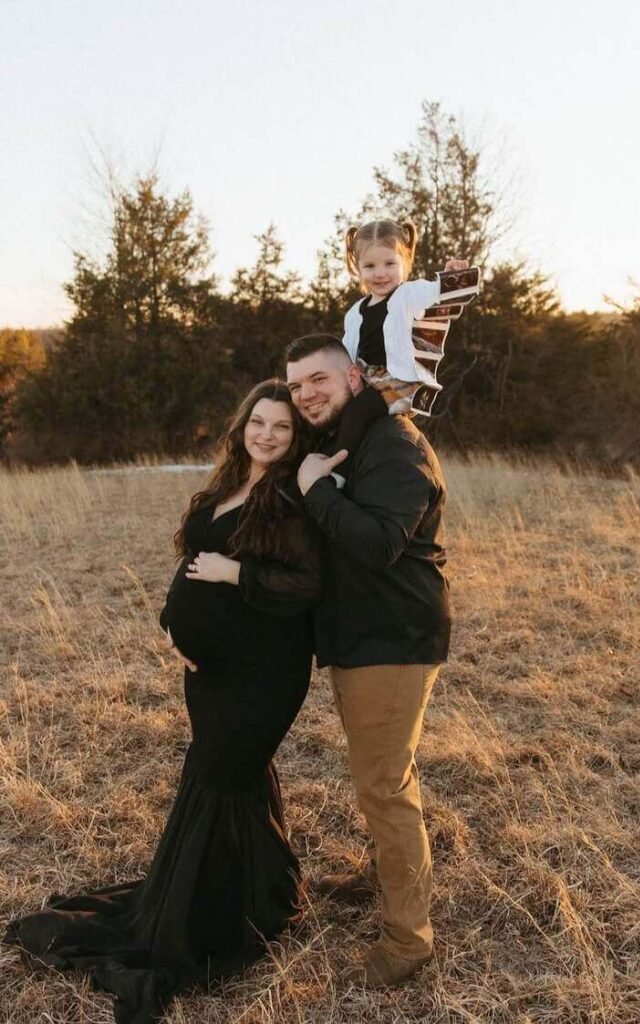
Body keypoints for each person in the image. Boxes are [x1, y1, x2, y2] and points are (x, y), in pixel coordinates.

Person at [4, 380, 322, 1024]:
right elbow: (190, 564)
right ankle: (256, 893)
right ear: (242, 426)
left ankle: (213, 917)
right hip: (210, 674)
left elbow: (307, 586)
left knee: (223, 771)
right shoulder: (228, 484)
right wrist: (173, 626)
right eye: (258, 422)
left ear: (295, 438)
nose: (266, 435)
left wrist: (237, 573)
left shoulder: (292, 496)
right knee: (226, 775)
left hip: (263, 672)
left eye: (281, 427)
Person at [285, 335, 451, 989]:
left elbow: (381, 542)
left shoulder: (395, 445)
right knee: (378, 776)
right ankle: (384, 874)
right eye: (296, 386)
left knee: (385, 786)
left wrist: (315, 491)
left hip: (393, 636)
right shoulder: (348, 439)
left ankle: (408, 942)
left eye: (318, 380)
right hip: (362, 636)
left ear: (354, 377)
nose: (305, 395)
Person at [332, 218, 479, 480]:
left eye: (390, 263)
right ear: (357, 267)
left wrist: (455, 276)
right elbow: (346, 354)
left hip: (399, 383)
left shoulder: (408, 295)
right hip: (366, 380)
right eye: (370, 266)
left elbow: (445, 294)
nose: (380, 273)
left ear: (405, 260)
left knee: (358, 411)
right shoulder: (354, 313)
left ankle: (338, 473)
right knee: (336, 407)